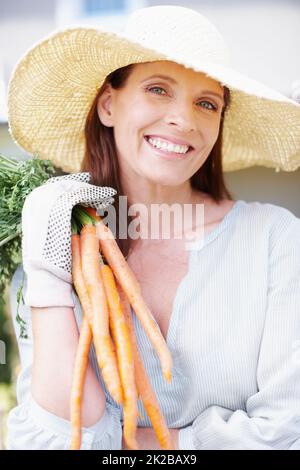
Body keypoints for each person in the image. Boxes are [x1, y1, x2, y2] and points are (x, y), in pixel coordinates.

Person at [6, 5, 300, 450]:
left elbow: (287, 432)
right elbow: (52, 440)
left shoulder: (275, 239)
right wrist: (48, 276)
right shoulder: (56, 246)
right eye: (158, 89)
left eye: (207, 103)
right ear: (108, 104)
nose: (184, 119)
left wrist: (133, 445)